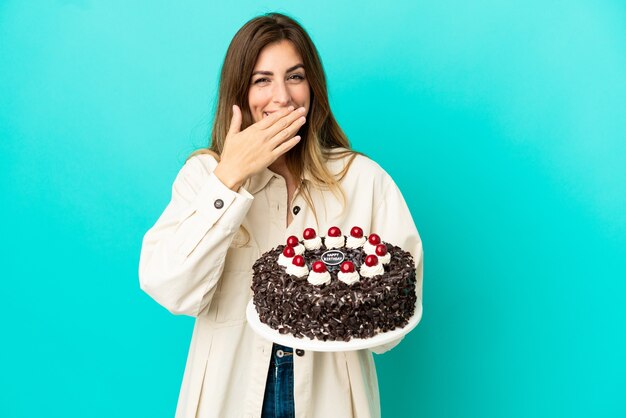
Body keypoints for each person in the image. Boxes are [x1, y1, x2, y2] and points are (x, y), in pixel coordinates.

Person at [138, 12, 423, 418]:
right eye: (261, 80)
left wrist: (344, 304)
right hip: (229, 394)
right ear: (238, 93)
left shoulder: (363, 179)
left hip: (332, 400)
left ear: (313, 87)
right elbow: (171, 288)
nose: (282, 98)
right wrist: (229, 179)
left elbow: (392, 322)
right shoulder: (204, 176)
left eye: (294, 76)